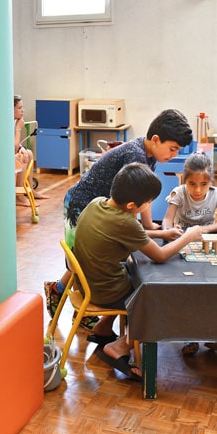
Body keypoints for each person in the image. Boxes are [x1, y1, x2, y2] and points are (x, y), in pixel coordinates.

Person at [44, 109, 193, 323]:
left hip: (104, 207)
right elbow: (135, 204)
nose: (174, 155)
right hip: (82, 203)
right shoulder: (136, 155)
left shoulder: (148, 153)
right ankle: (78, 307)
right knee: (83, 259)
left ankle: (67, 295)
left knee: (89, 258)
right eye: (173, 149)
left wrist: (151, 226)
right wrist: (149, 230)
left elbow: (144, 195)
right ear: (156, 139)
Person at [73, 163, 203, 379]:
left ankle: (103, 328)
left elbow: (129, 232)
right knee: (155, 296)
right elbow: (160, 256)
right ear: (133, 205)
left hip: (88, 283)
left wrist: (162, 234)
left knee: (133, 270)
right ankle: (121, 346)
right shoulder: (126, 223)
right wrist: (188, 237)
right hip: (106, 292)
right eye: (149, 202)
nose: (150, 205)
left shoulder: (98, 203)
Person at [160, 152, 217, 355]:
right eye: (192, 184)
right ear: (185, 180)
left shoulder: (215, 193)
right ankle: (190, 338)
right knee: (188, 291)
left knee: (212, 290)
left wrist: (203, 230)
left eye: (203, 184)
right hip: (182, 247)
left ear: (210, 182)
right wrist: (169, 230)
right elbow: (167, 220)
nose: (198, 189)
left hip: (205, 249)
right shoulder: (178, 193)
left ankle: (214, 335)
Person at [14, 95, 46, 205]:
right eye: (19, 108)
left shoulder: (15, 121)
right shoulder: (7, 124)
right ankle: (19, 197)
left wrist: (22, 148)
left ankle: (30, 190)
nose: (23, 110)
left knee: (29, 153)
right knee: (21, 157)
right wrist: (18, 129)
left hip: (9, 154)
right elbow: (13, 147)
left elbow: (16, 146)